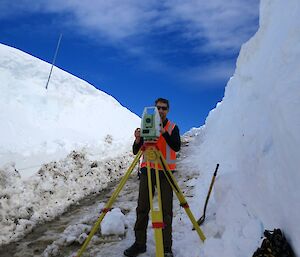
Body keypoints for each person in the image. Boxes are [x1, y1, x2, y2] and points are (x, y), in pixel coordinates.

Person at [124, 98, 181, 257]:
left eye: (164, 108)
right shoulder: (147, 124)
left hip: (165, 173)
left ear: (168, 110)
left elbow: (176, 146)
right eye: (158, 108)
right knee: (142, 209)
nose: (161, 111)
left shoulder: (172, 127)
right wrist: (137, 139)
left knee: (166, 212)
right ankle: (139, 243)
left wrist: (164, 133)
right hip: (147, 170)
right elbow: (136, 150)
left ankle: (166, 248)